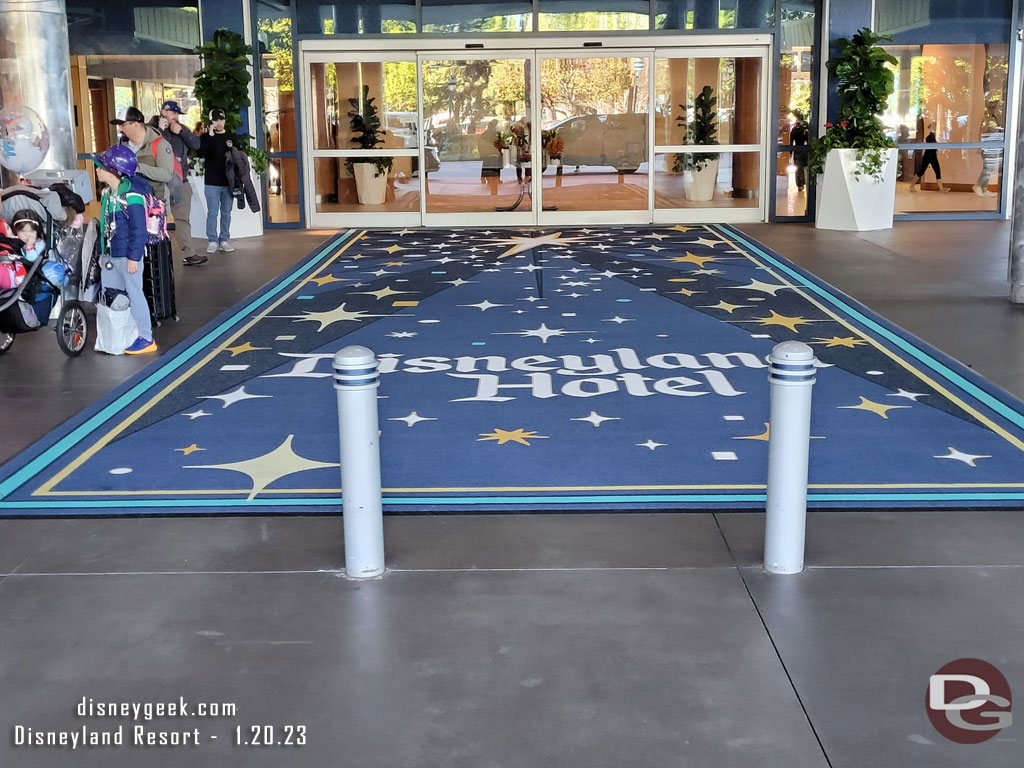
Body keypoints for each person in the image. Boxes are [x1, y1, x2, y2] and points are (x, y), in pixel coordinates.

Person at [93, 145, 157, 355]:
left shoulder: (132, 195)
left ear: (113, 169)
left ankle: (146, 337)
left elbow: (139, 230)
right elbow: (104, 226)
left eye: (100, 166)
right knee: (112, 295)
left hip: (128, 256)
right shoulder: (108, 194)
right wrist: (104, 254)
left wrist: (134, 258)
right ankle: (118, 336)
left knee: (134, 294)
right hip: (112, 254)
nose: (97, 169)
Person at [154, 100, 200, 264]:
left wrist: (181, 132)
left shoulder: (180, 128)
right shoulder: (152, 128)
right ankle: (157, 255)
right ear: (164, 112)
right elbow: (146, 147)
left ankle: (188, 253)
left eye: (177, 114)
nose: (175, 117)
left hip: (181, 180)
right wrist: (160, 129)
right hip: (160, 182)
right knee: (157, 219)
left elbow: (196, 144)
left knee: (182, 218)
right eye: (173, 113)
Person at [112, 106, 175, 207]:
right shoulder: (121, 146)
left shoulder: (160, 144)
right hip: (128, 205)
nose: (120, 129)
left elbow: (167, 175)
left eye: (123, 124)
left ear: (136, 124)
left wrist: (138, 167)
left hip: (154, 207)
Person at [196, 108, 237, 261]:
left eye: (221, 120)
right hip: (212, 181)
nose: (219, 123)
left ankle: (224, 239)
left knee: (226, 212)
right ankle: (212, 240)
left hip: (228, 182)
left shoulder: (231, 137)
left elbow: (237, 156)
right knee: (212, 212)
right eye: (215, 120)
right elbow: (201, 153)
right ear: (211, 122)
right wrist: (211, 135)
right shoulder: (206, 137)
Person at [909, 122, 948, 193]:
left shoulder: (934, 136)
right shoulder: (930, 136)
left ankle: (941, 188)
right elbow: (932, 146)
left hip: (932, 155)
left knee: (937, 171)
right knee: (921, 171)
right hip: (928, 156)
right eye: (934, 126)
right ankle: (911, 185)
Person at [789, 115, 809, 192]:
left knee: (798, 168)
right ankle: (804, 183)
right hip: (804, 150)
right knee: (804, 167)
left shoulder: (794, 130)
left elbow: (791, 142)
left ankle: (800, 185)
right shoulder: (805, 130)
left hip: (797, 150)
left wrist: (790, 152)